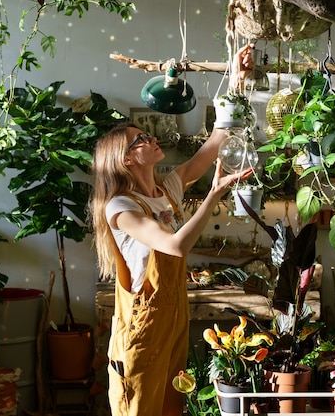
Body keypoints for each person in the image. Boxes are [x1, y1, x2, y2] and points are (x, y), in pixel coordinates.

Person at [90, 43, 255, 416]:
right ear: (127, 159)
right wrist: (213, 195)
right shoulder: (121, 207)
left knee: (170, 408)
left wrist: (238, 80)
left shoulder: (166, 189)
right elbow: (175, 246)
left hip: (173, 313)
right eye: (140, 140)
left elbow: (216, 141)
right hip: (143, 325)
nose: (151, 139)